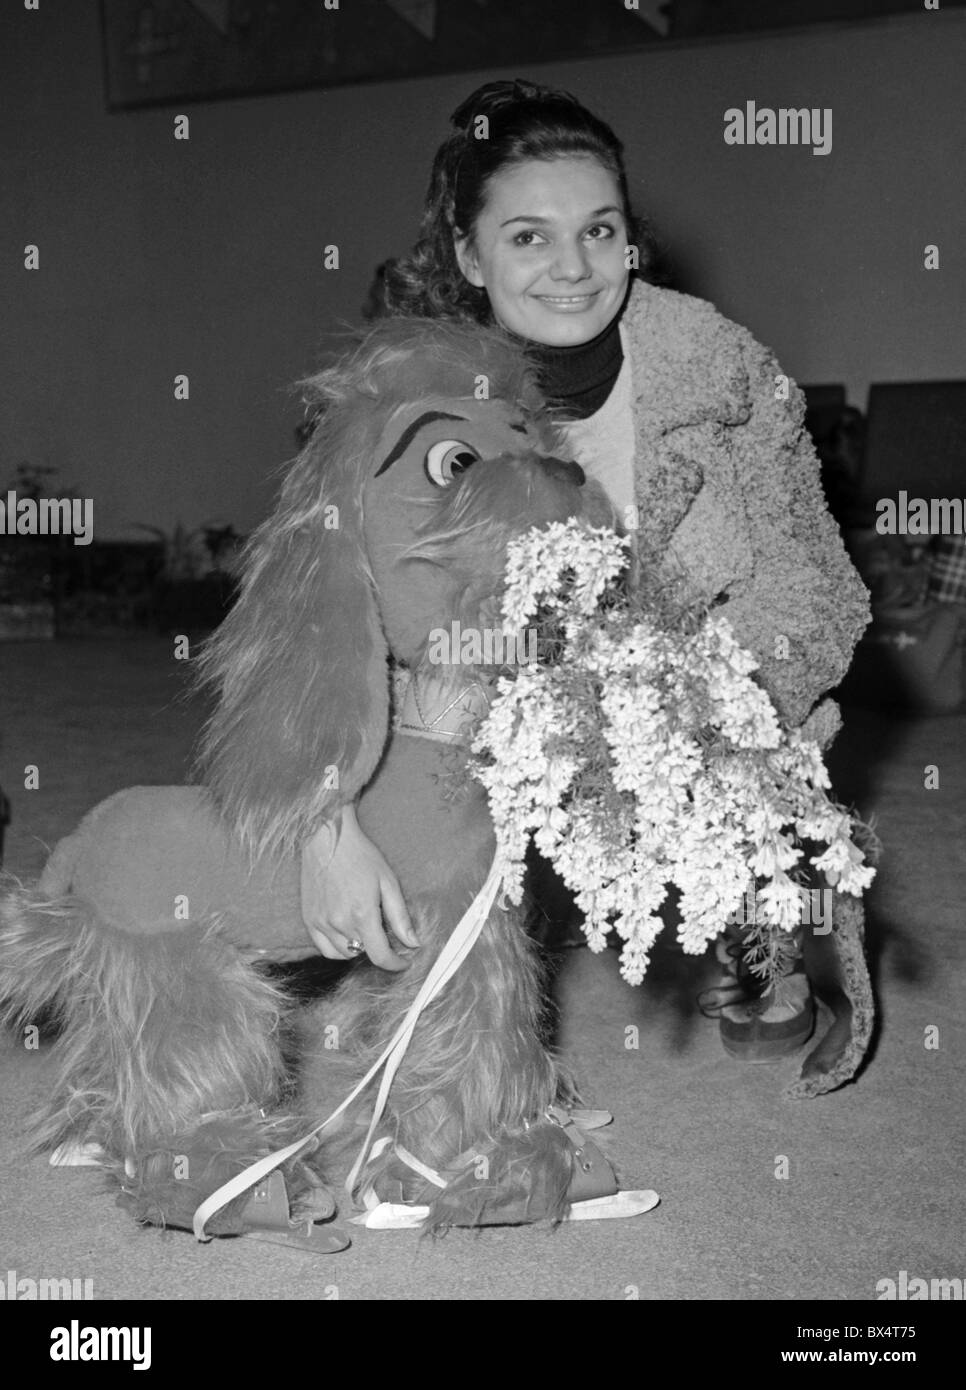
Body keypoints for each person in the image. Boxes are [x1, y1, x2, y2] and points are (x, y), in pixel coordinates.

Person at [300, 79, 870, 1059]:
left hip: (683, 671)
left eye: (600, 231)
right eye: (529, 237)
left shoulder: (725, 377)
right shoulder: (407, 404)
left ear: (631, 242)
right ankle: (457, 952)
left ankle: (757, 919)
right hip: (503, 675)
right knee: (441, 688)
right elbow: (313, 609)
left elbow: (815, 591)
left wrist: (703, 703)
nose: (573, 267)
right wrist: (322, 818)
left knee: (768, 717)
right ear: (470, 255)